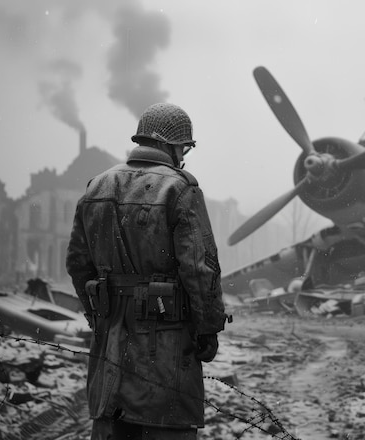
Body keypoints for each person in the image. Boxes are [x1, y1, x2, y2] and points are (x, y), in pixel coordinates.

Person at [66, 102, 228, 440]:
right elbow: (201, 270)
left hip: (110, 347)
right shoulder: (180, 189)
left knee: (113, 428)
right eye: (184, 147)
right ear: (172, 145)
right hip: (166, 350)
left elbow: (78, 263)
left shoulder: (97, 186)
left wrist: (99, 314)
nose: (183, 156)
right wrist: (208, 329)